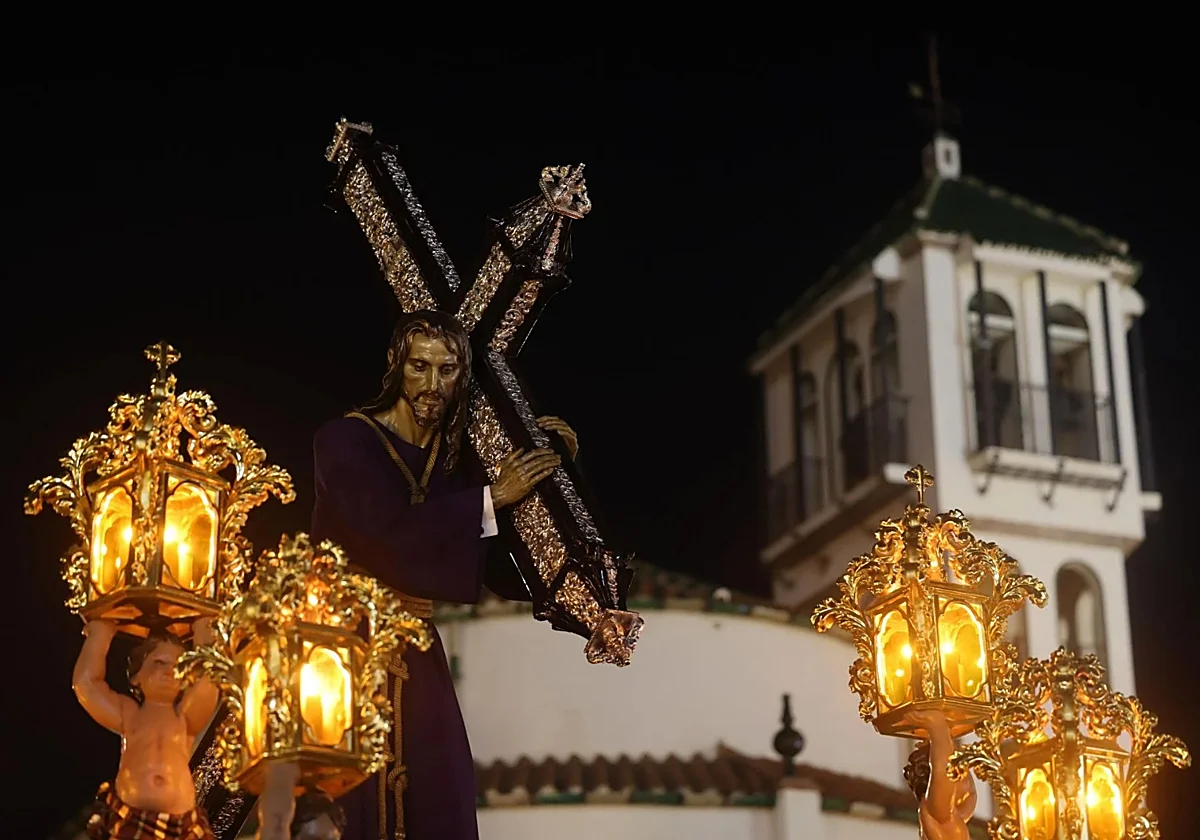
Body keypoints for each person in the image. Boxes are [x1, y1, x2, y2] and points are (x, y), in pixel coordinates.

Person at [311, 309, 579, 840]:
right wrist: (491, 498)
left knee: (439, 792)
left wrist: (552, 473)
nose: (432, 384)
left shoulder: (454, 462)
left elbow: (496, 565)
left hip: (416, 649)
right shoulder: (344, 441)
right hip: (344, 647)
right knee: (352, 791)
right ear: (396, 364)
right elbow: (380, 532)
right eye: (419, 366)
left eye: (447, 370)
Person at [74, 619, 221, 840]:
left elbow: (208, 681)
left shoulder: (185, 718)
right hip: (132, 818)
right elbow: (87, 685)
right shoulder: (129, 714)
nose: (170, 671)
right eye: (160, 662)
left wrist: (203, 629)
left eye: (179, 665)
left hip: (182, 824)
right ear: (136, 676)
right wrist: (100, 635)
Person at [904, 709, 978, 840]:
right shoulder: (939, 813)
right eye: (959, 774)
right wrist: (937, 727)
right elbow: (942, 770)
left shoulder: (952, 817)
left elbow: (971, 795)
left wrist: (945, 740)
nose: (964, 777)